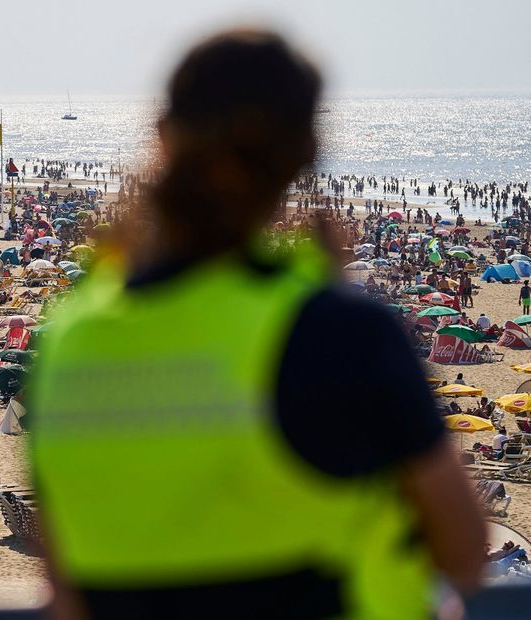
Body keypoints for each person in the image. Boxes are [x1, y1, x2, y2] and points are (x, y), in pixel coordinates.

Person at [29, 31, 484, 619]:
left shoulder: (69, 336)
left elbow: (65, 590)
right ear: (303, 153)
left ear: (163, 137)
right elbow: (465, 553)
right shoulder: (338, 331)